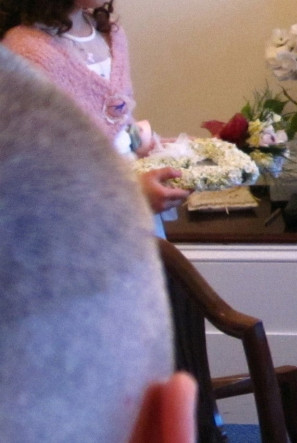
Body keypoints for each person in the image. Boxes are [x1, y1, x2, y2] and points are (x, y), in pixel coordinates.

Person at [0, 45, 198, 443]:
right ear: (166, 429)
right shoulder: (30, 53)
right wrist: (125, 191)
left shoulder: (109, 38)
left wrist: (143, 141)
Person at [0, 0, 189, 221]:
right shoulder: (24, 53)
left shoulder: (108, 35)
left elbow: (118, 129)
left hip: (128, 222)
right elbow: (31, 177)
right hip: (78, 234)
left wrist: (160, 148)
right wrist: (128, 193)